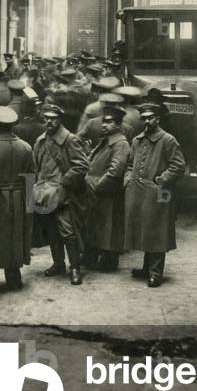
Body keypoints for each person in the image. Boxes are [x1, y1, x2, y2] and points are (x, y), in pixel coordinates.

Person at [124, 103, 186, 288]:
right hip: (138, 192)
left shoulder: (168, 140)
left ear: (157, 119)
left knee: (158, 230)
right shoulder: (136, 140)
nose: (146, 121)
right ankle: (145, 267)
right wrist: (128, 180)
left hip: (161, 192)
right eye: (144, 118)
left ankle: (155, 272)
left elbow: (178, 166)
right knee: (144, 229)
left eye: (150, 117)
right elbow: (129, 164)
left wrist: (162, 180)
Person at [32, 103, 90, 286]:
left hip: (63, 194)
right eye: (46, 117)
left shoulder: (69, 140)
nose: (49, 121)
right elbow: (36, 167)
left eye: (53, 118)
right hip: (43, 194)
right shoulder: (40, 140)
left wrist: (64, 182)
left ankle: (75, 268)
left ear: (60, 119)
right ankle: (58, 264)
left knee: (67, 232)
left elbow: (82, 165)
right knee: (51, 232)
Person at [0, 106, 34, 291]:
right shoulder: (26, 147)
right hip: (19, 197)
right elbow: (30, 177)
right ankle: (14, 276)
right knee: (16, 234)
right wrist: (29, 206)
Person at [82, 103, 131, 272]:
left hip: (107, 193)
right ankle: (94, 256)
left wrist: (97, 186)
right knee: (99, 225)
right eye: (104, 121)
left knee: (110, 227)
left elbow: (115, 171)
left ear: (118, 125)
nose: (104, 125)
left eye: (109, 122)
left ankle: (110, 261)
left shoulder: (120, 144)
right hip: (98, 193)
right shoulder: (106, 141)